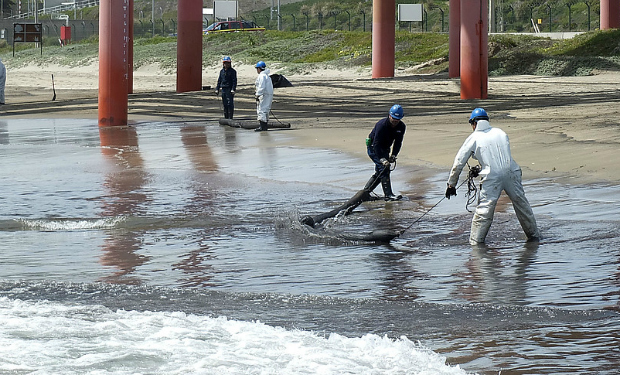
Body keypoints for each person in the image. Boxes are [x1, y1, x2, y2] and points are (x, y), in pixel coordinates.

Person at [445, 107, 540, 245]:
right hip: (512, 172)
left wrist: (451, 184)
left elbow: (458, 163)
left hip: (492, 176)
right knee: (522, 205)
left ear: (474, 123)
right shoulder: (500, 132)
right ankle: (534, 236)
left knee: (484, 211)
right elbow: (498, 155)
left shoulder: (473, 138)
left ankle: (476, 244)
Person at [364, 104, 406, 201]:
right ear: (389, 115)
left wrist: (394, 155)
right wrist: (382, 159)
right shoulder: (381, 125)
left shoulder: (402, 126)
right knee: (384, 169)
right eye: (393, 118)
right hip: (374, 148)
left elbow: (398, 142)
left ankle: (365, 192)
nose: (395, 121)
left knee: (380, 172)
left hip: (386, 148)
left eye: (397, 119)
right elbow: (376, 144)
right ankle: (388, 195)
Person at [254, 60, 273, 132]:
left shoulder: (262, 76)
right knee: (266, 110)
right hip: (268, 95)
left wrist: (257, 94)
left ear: (259, 68)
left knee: (261, 110)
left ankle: (263, 127)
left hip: (264, 95)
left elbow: (261, 87)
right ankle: (264, 126)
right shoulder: (267, 76)